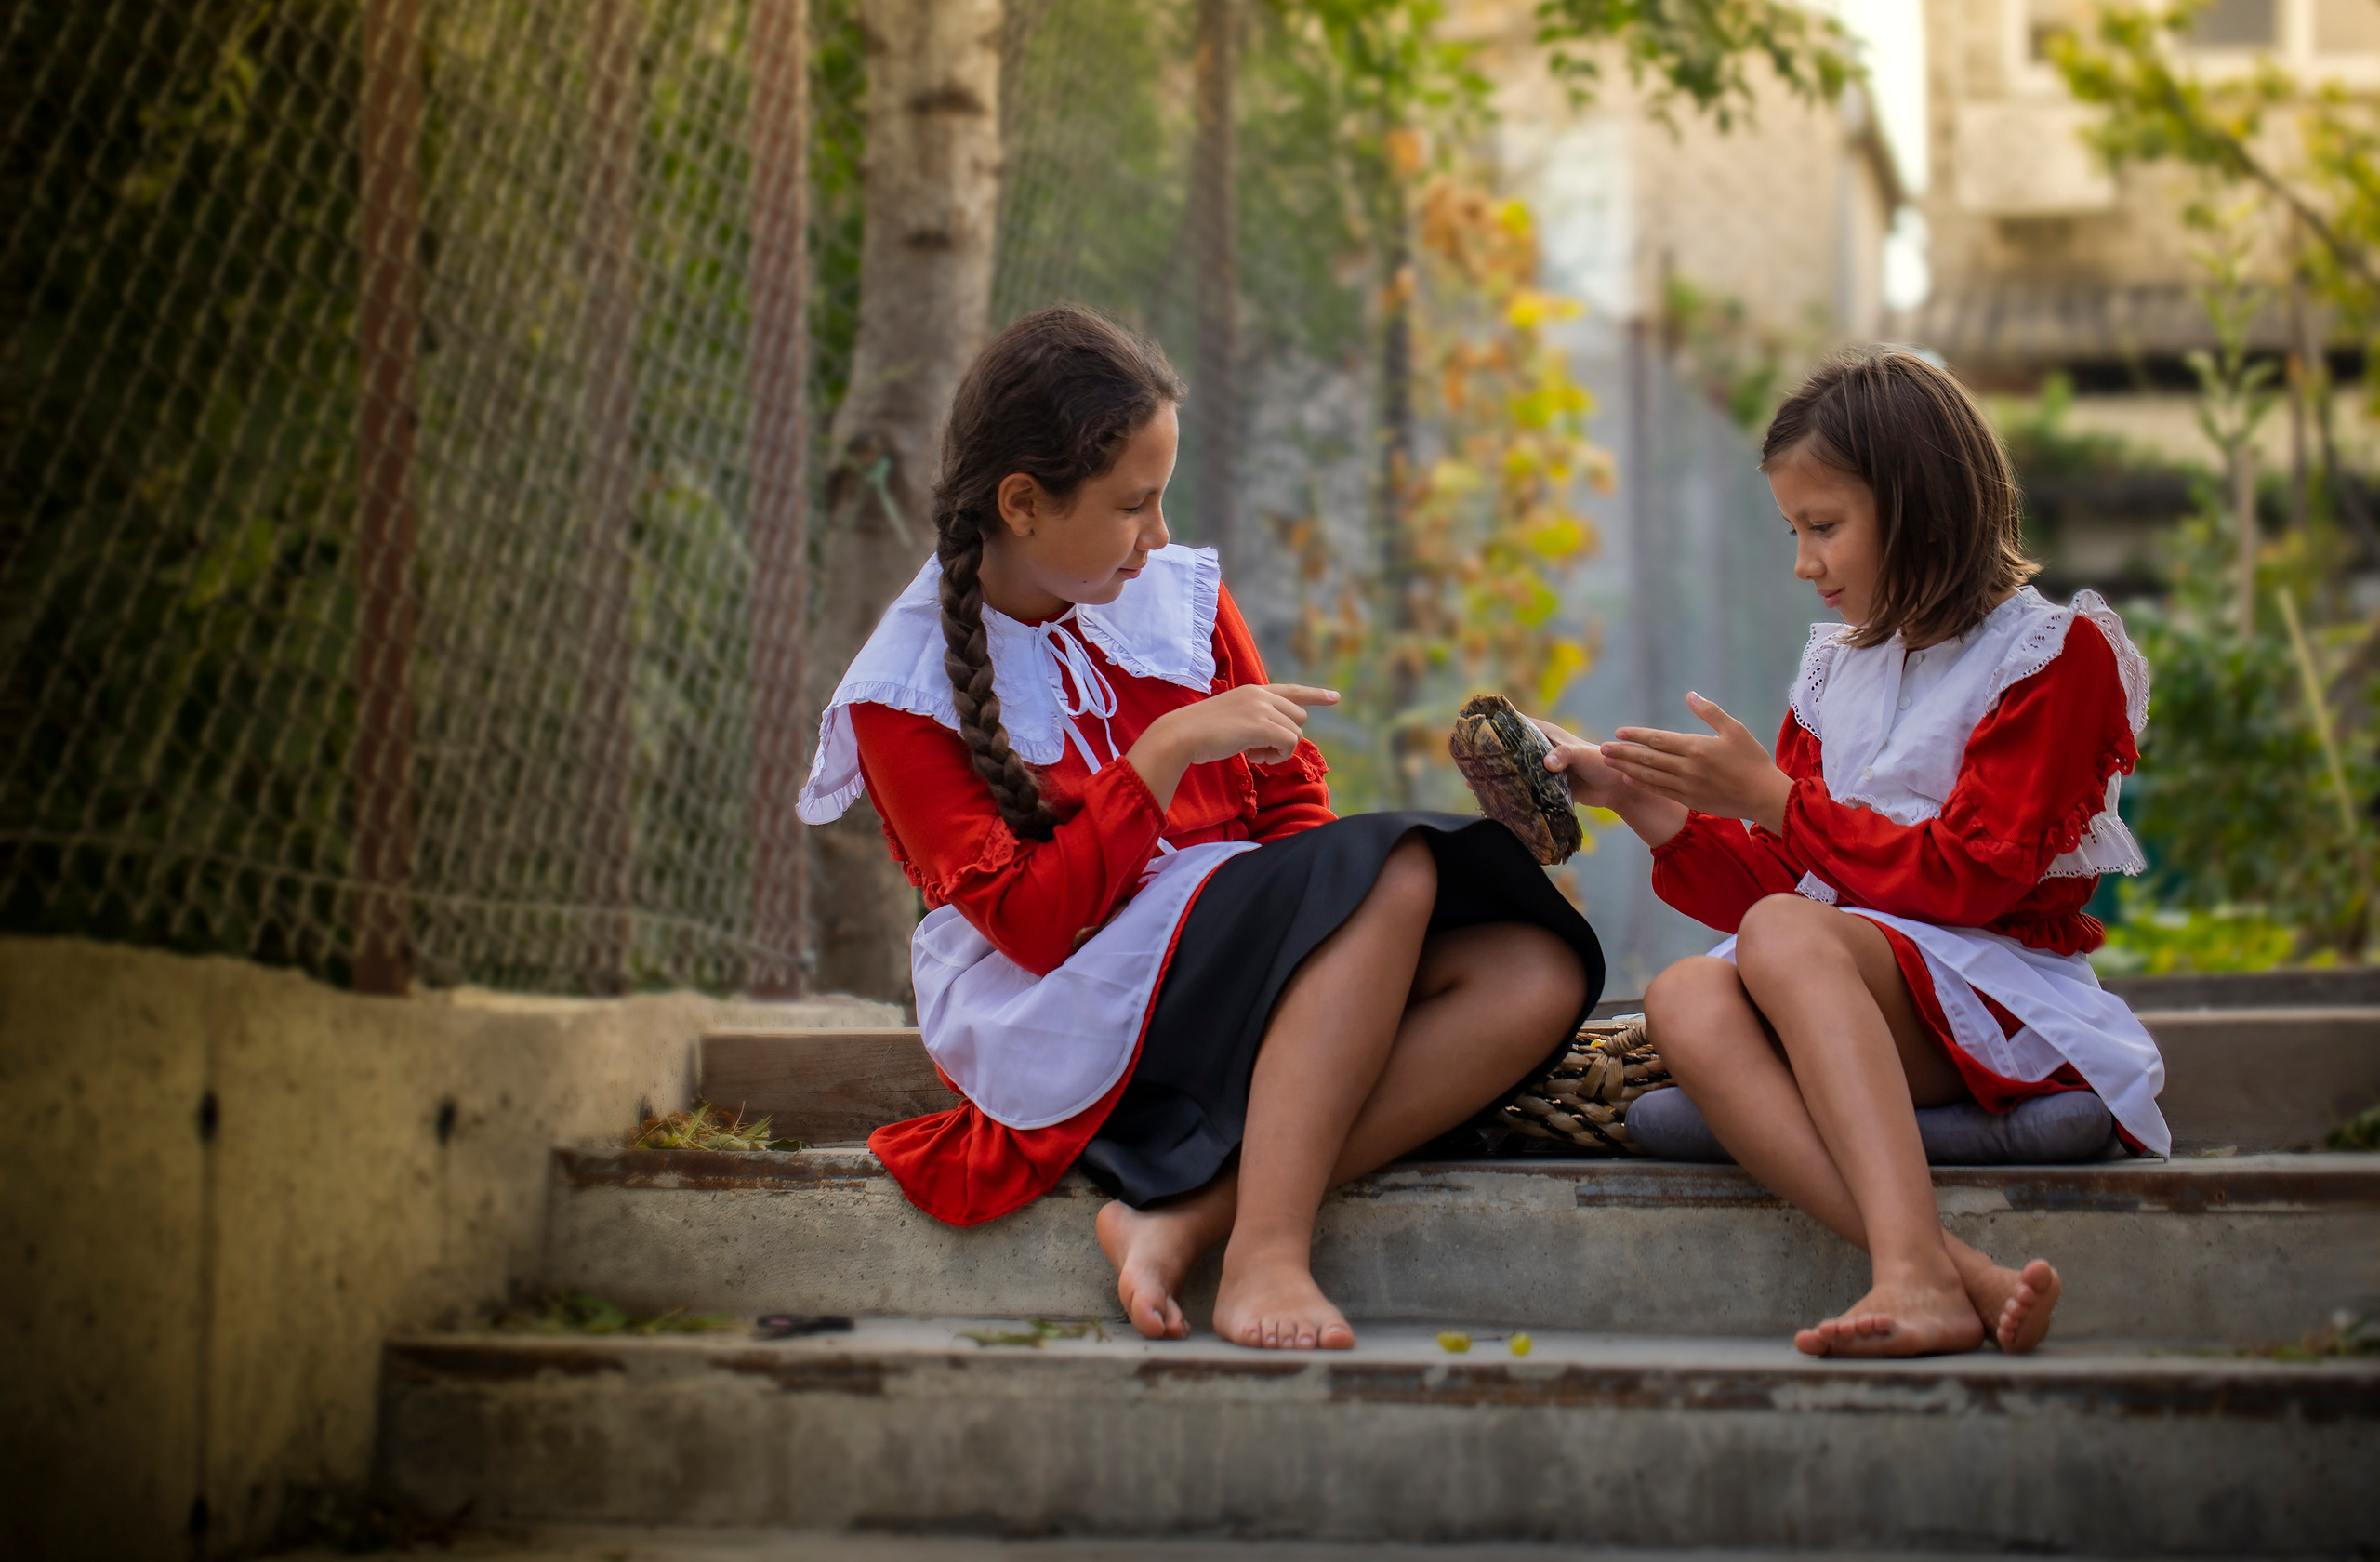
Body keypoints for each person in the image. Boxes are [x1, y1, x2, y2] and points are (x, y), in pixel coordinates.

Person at [797, 304, 1603, 1351]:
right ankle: (1265, 1256)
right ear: (1023, 505)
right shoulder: (902, 695)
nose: (1161, 536)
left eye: (1162, 497)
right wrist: (1162, 755)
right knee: (1398, 873)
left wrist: (1318, 961)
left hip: (1216, 959)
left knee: (1530, 973)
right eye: (1133, 505)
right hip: (1059, 999)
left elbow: (1292, 813)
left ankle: (1178, 1222)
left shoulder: (1174, 600)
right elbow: (1033, 929)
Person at [1540, 347, 2165, 1359]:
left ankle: (1915, 1270)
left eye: (1823, 527)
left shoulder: (2052, 656)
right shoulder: (1836, 670)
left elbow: (1971, 877)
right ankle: (1939, 1264)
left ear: (1920, 507)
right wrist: (1640, 803)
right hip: (1846, 982)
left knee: (1783, 936)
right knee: (1683, 998)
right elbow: (1790, 884)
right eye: (1794, 530)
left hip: (1985, 989)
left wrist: (1776, 800)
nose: (1803, 562)